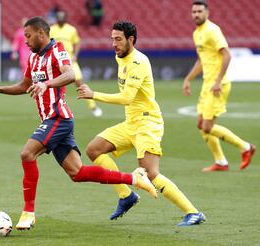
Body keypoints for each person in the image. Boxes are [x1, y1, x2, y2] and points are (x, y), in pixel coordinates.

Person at [0, 16, 157, 230]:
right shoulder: (33, 58)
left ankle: (28, 213)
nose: (25, 41)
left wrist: (47, 84)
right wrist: (0, 89)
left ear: (41, 33)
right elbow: (24, 85)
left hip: (59, 118)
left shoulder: (57, 50)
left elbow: (70, 74)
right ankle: (134, 179)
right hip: (52, 121)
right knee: (78, 173)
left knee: (27, 154)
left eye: (28, 36)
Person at [77, 21, 205, 226]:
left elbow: (127, 97)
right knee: (94, 149)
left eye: (118, 39)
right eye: (112, 39)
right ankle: (126, 196)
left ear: (131, 39)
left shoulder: (138, 62)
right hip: (131, 123)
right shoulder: (120, 57)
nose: (114, 44)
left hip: (148, 123)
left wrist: (94, 95)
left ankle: (193, 212)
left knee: (150, 173)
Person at [183, 0, 256, 172]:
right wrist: (188, 79)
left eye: (199, 11)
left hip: (217, 84)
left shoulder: (212, 30)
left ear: (207, 13)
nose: (196, 15)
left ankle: (245, 147)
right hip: (207, 83)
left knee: (207, 126)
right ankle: (221, 162)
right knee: (201, 124)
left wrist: (217, 81)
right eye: (194, 12)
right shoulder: (197, 33)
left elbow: (227, 54)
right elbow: (202, 60)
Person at [50, 10, 103, 117]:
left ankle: (93, 106)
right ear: (56, 18)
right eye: (58, 17)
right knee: (52, 85)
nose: (60, 19)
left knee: (79, 82)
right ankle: (52, 110)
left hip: (69, 60)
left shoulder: (71, 29)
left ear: (65, 18)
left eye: (62, 17)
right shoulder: (52, 29)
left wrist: (75, 54)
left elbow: (77, 43)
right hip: (55, 62)